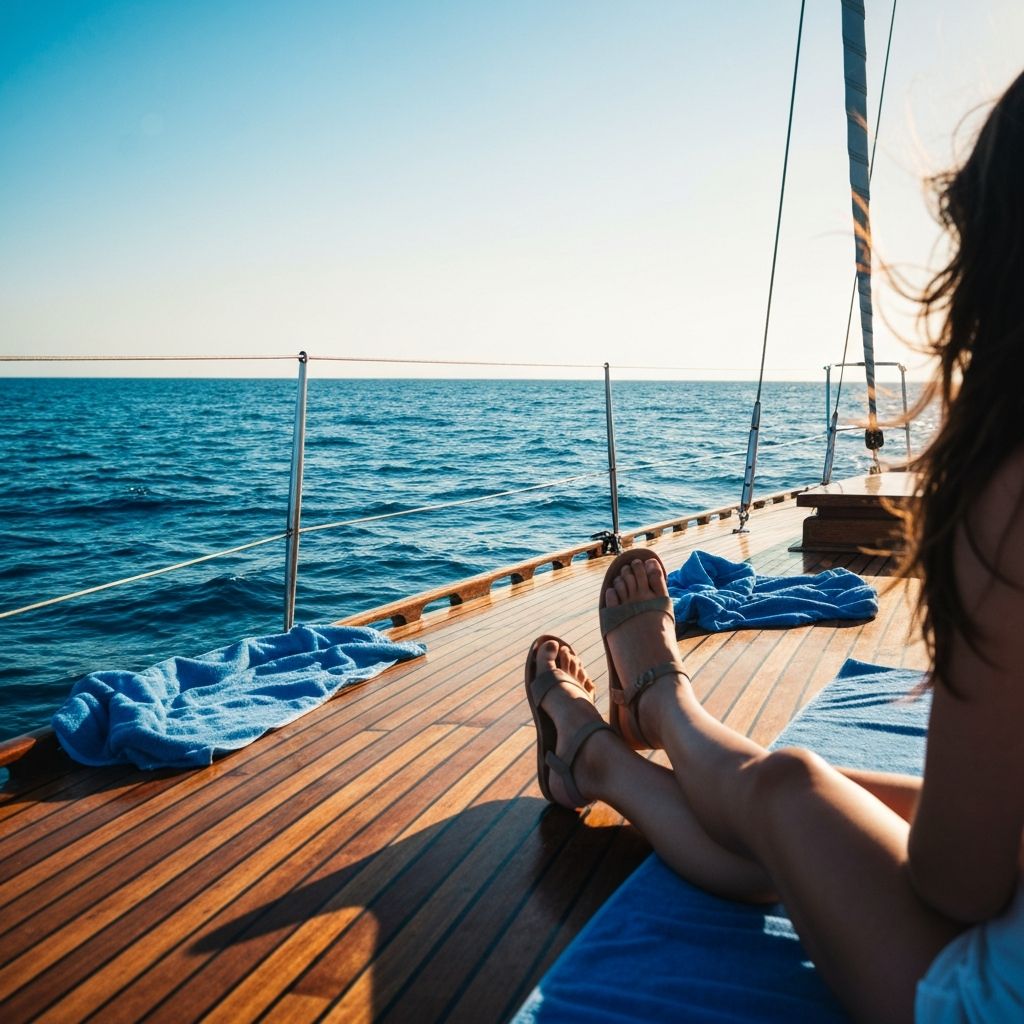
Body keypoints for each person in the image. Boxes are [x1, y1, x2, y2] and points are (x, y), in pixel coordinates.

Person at [524, 69, 1024, 1024]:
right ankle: (606, 751)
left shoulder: (1012, 495)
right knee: (811, 812)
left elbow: (960, 888)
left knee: (792, 793)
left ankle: (643, 719)